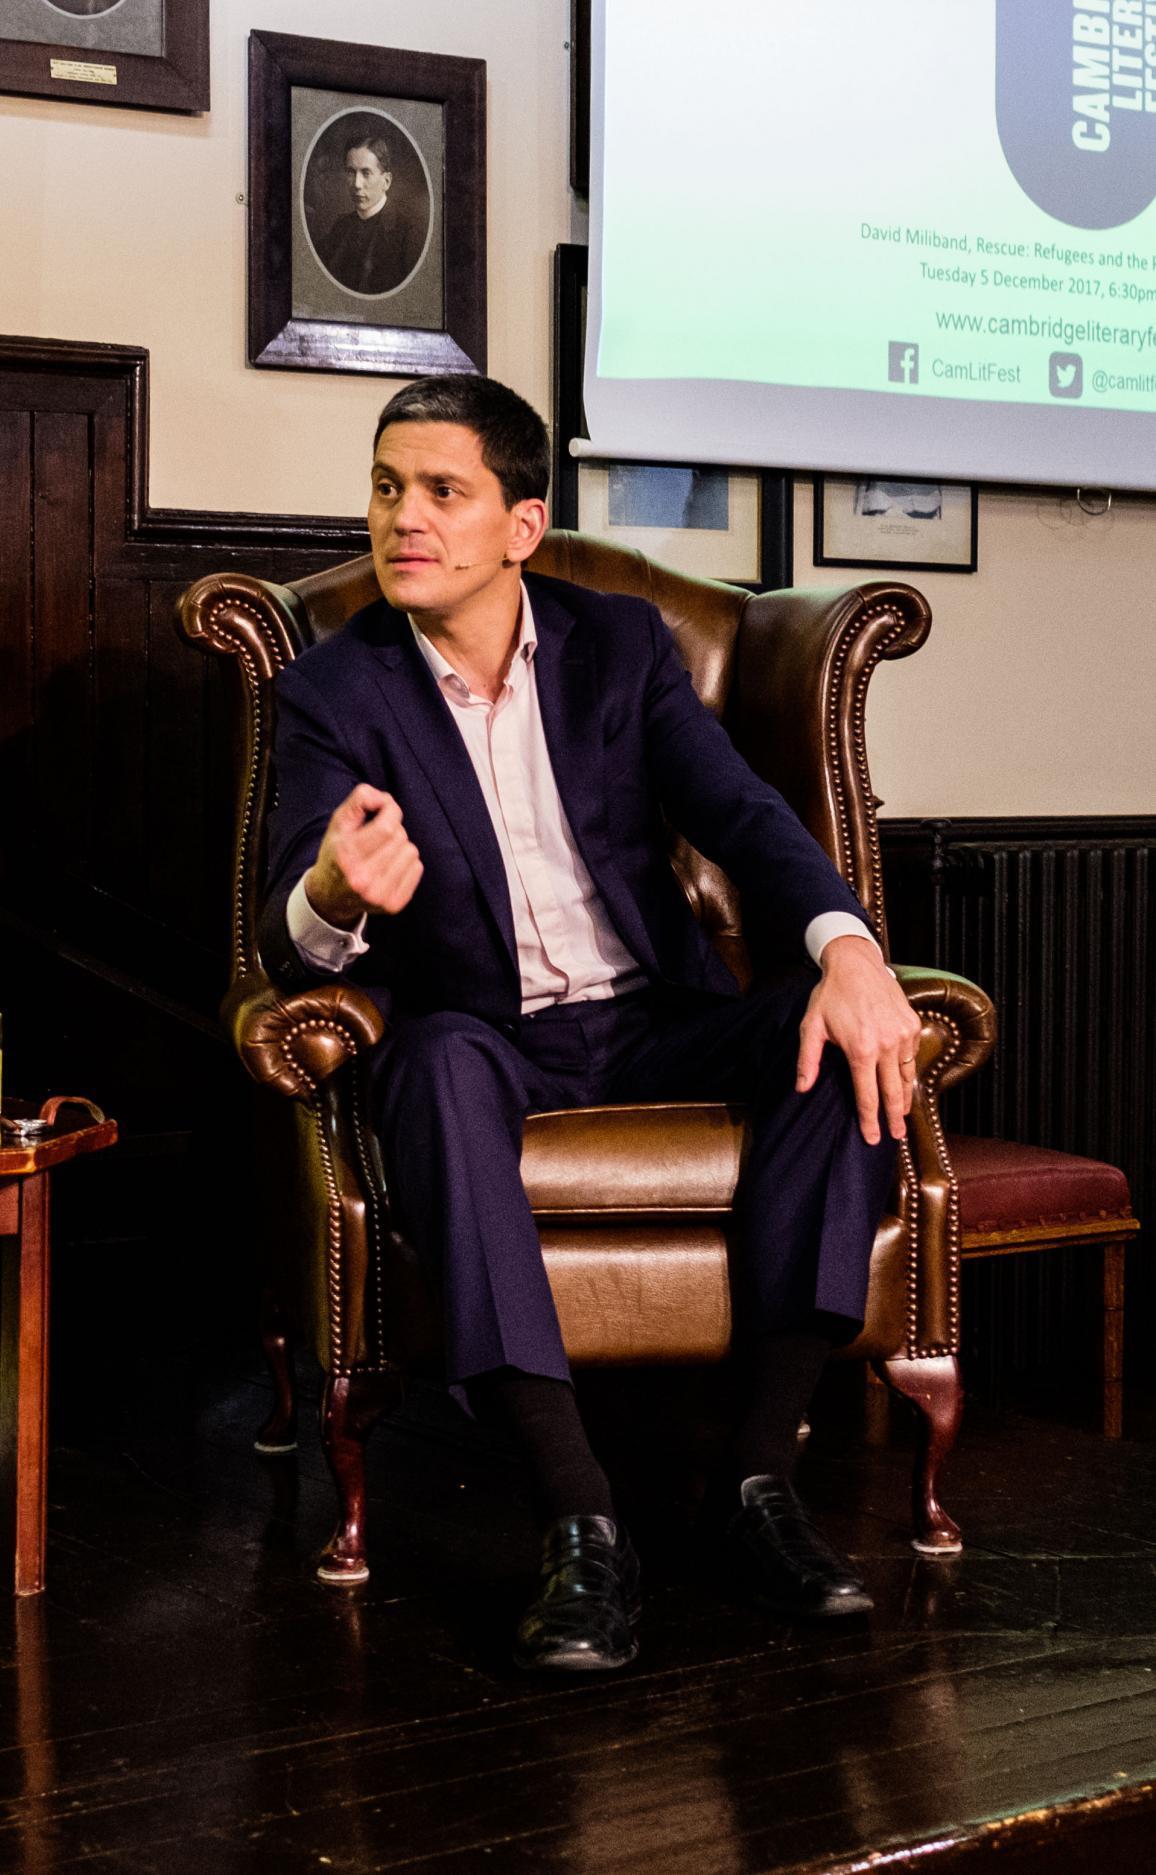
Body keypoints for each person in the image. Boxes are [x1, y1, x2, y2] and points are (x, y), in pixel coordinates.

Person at [259, 375, 925, 1673]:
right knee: (437, 1061)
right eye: (388, 487)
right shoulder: (334, 689)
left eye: (442, 491)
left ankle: (752, 1482)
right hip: (481, 1036)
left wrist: (850, 950)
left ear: (521, 523)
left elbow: (741, 817)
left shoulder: (618, 644)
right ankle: (580, 1515)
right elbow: (287, 936)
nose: (405, 518)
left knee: (829, 1036)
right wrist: (334, 890)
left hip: (648, 1016)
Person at [312, 130, 428, 297]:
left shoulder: (409, 233)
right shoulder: (341, 226)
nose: (357, 184)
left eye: (366, 173)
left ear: (386, 181)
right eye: (351, 172)